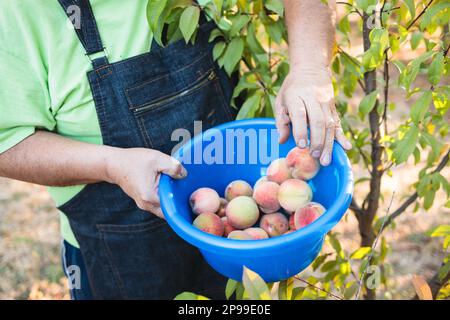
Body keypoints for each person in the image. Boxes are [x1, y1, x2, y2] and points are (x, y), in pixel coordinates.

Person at [0, 0, 351, 299]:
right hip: (121, 243)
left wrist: (309, 68)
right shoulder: (17, 13)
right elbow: (7, 143)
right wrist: (111, 165)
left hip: (232, 235)